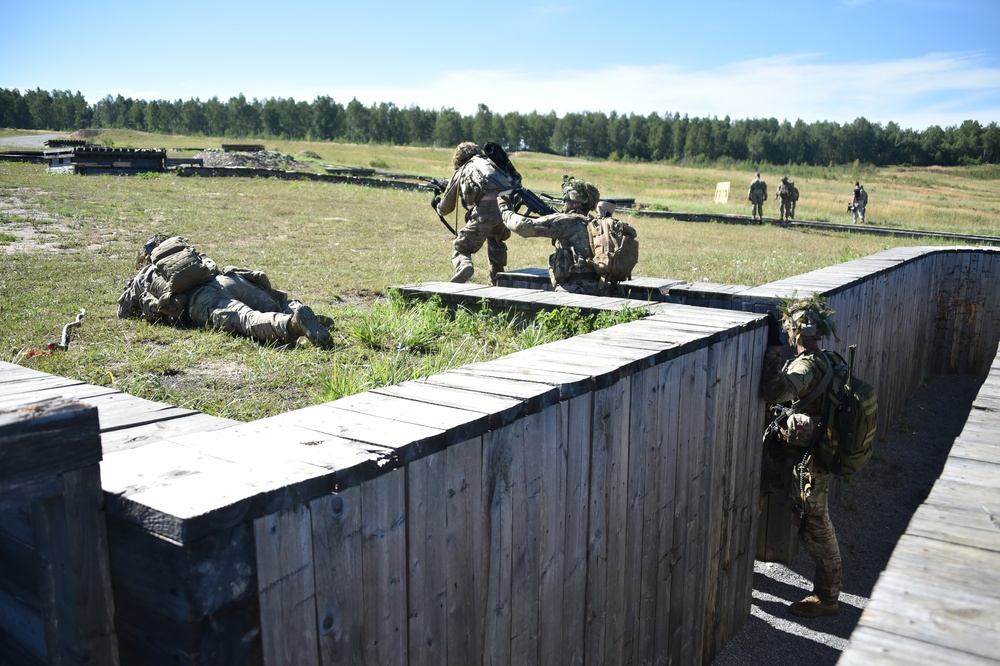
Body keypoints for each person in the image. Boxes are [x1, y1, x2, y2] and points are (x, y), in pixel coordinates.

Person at [760, 294, 842, 618]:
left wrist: (772, 352)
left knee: (816, 526)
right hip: (805, 456)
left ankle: (827, 597)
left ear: (794, 331)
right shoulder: (828, 358)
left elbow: (777, 391)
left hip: (808, 462)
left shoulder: (807, 364)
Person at [117, 235, 333, 349]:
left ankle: (293, 324)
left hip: (202, 301)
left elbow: (125, 312)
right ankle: (295, 310)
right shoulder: (191, 256)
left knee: (248, 320)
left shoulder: (146, 273)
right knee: (274, 303)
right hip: (228, 281)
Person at [497, 176, 611, 295]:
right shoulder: (596, 223)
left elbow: (523, 227)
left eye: (566, 199)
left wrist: (504, 208)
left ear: (577, 203)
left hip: (573, 290)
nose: (563, 203)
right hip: (600, 288)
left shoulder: (567, 221)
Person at [433, 141, 513, 285]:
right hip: (506, 210)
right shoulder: (492, 164)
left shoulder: (464, 168)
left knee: (461, 246)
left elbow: (446, 207)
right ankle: (498, 280)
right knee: (496, 242)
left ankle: (465, 267)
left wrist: (438, 206)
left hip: (485, 212)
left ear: (458, 159)